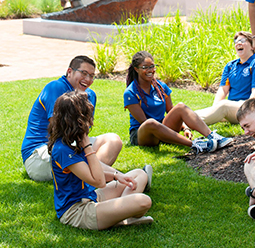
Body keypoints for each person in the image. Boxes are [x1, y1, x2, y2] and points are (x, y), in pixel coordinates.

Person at [49, 91, 153, 230]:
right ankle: (121, 215)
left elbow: (93, 169)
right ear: (78, 119)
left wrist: (117, 175)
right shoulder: (63, 149)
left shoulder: (72, 140)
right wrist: (87, 147)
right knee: (144, 201)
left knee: (139, 174)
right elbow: (98, 181)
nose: (91, 120)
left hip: (91, 197)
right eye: (88, 114)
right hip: (77, 211)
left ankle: (120, 213)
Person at [21, 55, 123, 182]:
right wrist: (85, 148)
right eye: (84, 73)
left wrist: (85, 148)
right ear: (70, 72)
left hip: (70, 146)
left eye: (91, 75)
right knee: (76, 152)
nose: (88, 79)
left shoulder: (90, 96)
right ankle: (120, 178)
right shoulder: (56, 88)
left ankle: (92, 178)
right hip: (40, 154)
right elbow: (60, 131)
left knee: (113, 140)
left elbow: (83, 133)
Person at [124, 51, 233, 153]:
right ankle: (196, 145)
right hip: (144, 134)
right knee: (150, 122)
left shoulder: (161, 87)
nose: (150, 70)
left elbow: (171, 111)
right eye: (145, 67)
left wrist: (185, 127)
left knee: (180, 106)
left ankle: (212, 136)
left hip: (162, 127)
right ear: (136, 69)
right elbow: (144, 122)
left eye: (152, 66)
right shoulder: (131, 93)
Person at [195, 31, 255, 125]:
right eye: (236, 41)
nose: (238, 43)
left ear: (252, 46)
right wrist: (214, 109)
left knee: (224, 105)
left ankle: (190, 122)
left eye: (242, 41)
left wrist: (246, 114)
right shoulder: (230, 66)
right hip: (232, 109)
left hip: (251, 109)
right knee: (221, 107)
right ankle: (186, 117)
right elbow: (223, 90)